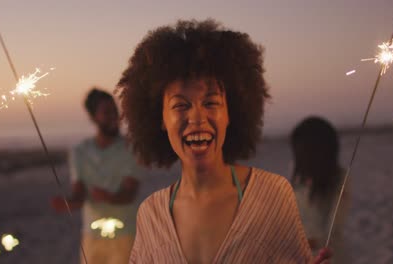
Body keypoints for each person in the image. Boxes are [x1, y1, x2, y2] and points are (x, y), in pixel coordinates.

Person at [117, 19, 331, 263]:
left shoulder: (273, 195)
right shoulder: (150, 214)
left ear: (232, 112)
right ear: (160, 119)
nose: (197, 118)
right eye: (180, 105)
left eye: (211, 103)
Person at [51, 88, 141, 264]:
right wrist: (69, 203)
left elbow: (130, 193)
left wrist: (110, 197)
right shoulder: (79, 152)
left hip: (126, 236)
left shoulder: (131, 149)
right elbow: (79, 193)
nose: (114, 116)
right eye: (106, 112)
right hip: (92, 238)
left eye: (115, 110)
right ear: (93, 117)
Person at [291, 117, 350, 263]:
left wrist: (309, 243)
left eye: (303, 151)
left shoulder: (339, 179)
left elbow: (333, 229)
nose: (299, 158)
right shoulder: (298, 176)